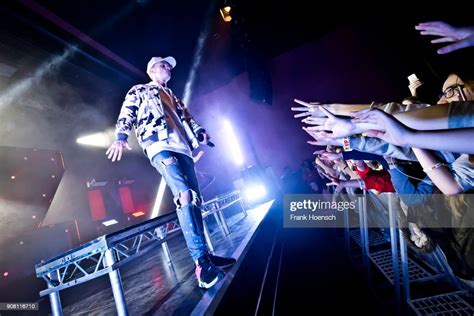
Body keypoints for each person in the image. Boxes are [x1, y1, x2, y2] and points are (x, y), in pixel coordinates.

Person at [106, 56, 235, 289]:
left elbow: (188, 118)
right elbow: (128, 112)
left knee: (195, 201)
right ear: (153, 69)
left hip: (183, 148)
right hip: (159, 146)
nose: (169, 69)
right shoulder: (140, 90)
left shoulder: (173, 96)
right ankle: (200, 264)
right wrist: (121, 136)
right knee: (184, 194)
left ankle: (206, 255)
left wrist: (201, 134)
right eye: (165, 65)